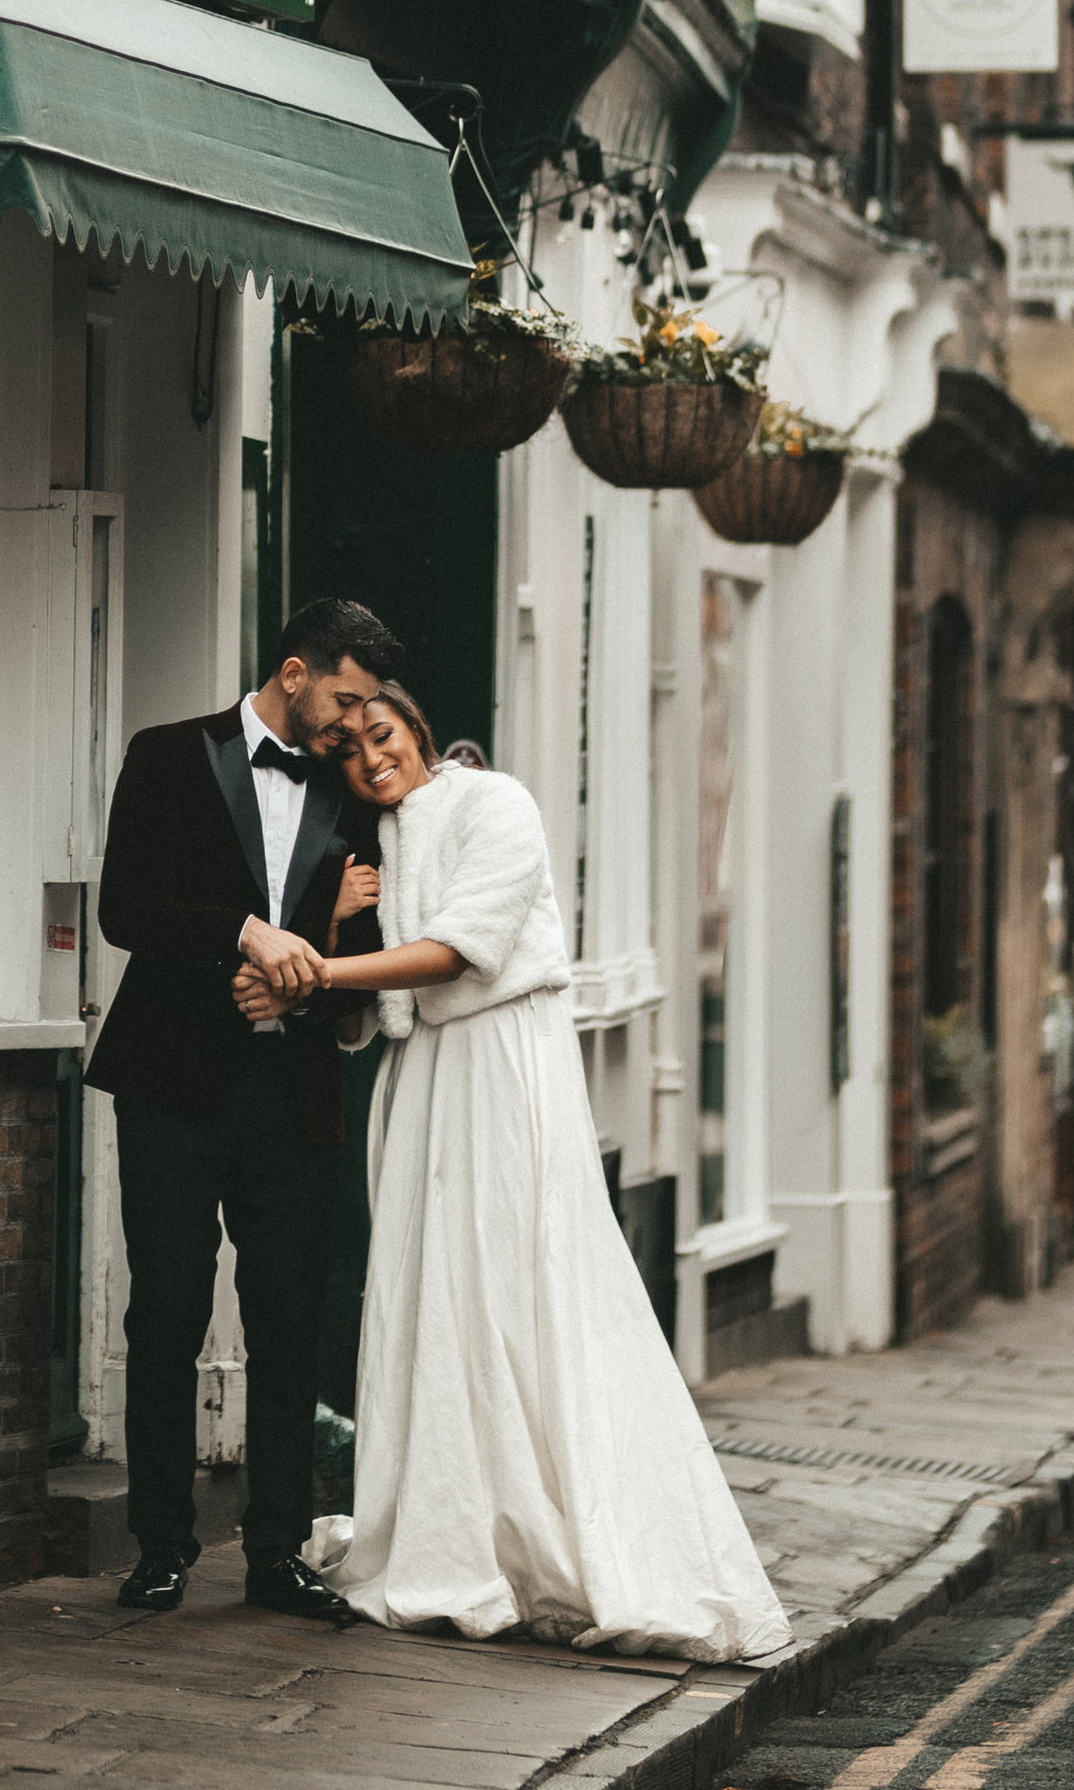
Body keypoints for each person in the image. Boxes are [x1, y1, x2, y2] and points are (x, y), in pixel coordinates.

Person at [234, 682, 793, 1664]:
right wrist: (325, 934)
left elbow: (459, 953)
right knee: (435, 1297)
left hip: (498, 1065)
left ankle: (564, 1536)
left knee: (516, 1283)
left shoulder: (497, 802)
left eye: (381, 735)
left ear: (415, 725)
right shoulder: (378, 843)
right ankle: (455, 1532)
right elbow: (370, 1009)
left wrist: (316, 970)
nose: (369, 759)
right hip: (424, 1085)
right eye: (349, 752)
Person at [88, 599, 407, 1623]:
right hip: (172, 1085)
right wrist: (244, 934)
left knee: (287, 1320)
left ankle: (276, 1552)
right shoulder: (168, 754)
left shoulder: (354, 794)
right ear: (293, 672)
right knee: (166, 1311)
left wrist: (308, 974)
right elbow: (125, 908)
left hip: (294, 1089)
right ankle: (160, 1547)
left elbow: (370, 962)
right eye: (345, 698)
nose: (354, 724)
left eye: (368, 707)